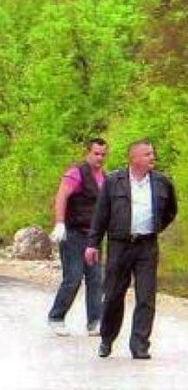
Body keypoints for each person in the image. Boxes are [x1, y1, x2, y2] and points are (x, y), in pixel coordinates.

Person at [85, 139, 178, 359]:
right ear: (133, 158)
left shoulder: (162, 182)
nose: (152, 158)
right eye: (147, 154)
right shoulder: (113, 181)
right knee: (114, 295)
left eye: (152, 154)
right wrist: (92, 243)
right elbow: (101, 215)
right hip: (119, 244)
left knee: (146, 297)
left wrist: (155, 227)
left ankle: (140, 345)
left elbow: (171, 211)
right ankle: (107, 339)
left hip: (146, 245)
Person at [47, 138, 108, 336]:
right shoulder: (76, 173)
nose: (99, 158)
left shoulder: (104, 178)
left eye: (103, 154)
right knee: (73, 277)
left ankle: (95, 322)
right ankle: (56, 317)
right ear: (88, 153)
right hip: (73, 233)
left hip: (93, 237)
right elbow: (61, 196)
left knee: (95, 279)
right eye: (96, 153)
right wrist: (59, 222)